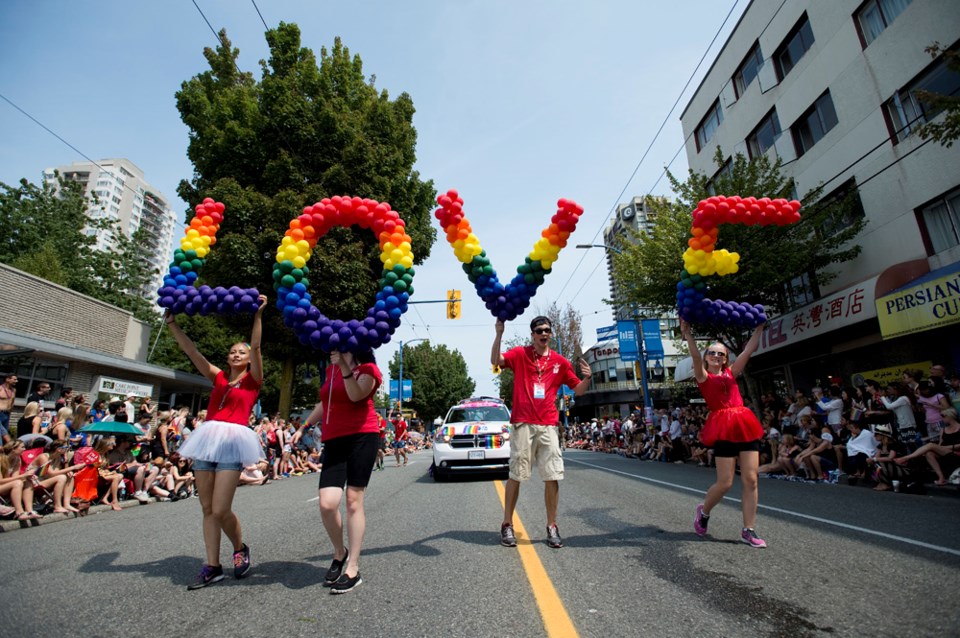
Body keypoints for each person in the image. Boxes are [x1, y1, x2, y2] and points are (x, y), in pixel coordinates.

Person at [166, 294, 267, 590]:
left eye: (241, 352)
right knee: (207, 508)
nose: (236, 355)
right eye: (232, 352)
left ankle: (239, 547)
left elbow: (257, 346)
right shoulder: (219, 376)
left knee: (221, 508)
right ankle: (212, 565)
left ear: (248, 359)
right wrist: (172, 324)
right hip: (206, 440)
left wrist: (258, 315)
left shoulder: (254, 379)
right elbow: (191, 352)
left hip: (233, 441)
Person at [492, 315, 592, 550]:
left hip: (548, 424)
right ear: (533, 334)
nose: (544, 334)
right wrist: (499, 333)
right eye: (539, 330)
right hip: (523, 423)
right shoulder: (520, 354)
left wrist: (588, 377)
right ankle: (507, 524)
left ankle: (552, 526)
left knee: (552, 475)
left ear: (550, 333)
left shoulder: (560, 362)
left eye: (547, 330)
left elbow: (578, 390)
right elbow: (496, 359)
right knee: (517, 474)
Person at [294, 348, 383, 594]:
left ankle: (352, 567)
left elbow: (355, 395)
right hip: (334, 439)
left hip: (362, 437)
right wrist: (304, 426)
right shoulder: (331, 369)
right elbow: (325, 402)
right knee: (327, 503)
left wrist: (344, 366)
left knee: (354, 501)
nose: (337, 347)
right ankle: (339, 551)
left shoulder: (369, 370)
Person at [681, 318, 768, 548]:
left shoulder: (732, 373)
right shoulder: (703, 376)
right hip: (722, 427)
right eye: (712, 353)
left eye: (721, 354)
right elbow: (696, 357)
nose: (716, 356)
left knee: (750, 478)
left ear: (726, 358)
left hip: (744, 424)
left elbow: (749, 349)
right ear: (707, 355)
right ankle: (704, 511)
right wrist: (688, 335)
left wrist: (758, 328)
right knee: (726, 482)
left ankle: (748, 529)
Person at [894, 407, 960, 485]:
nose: (941, 419)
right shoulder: (944, 429)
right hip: (944, 451)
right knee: (929, 453)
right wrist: (938, 448)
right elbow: (941, 443)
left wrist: (945, 448)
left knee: (931, 445)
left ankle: (906, 458)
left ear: (950, 416)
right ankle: (941, 477)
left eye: (943, 417)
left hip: (956, 452)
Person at [0, 373, 17, 443]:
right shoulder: (0, 388)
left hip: (7, 414)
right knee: (3, 433)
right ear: (7, 379)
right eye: (14, 379)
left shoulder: (14, 390)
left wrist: (10, 412)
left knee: (4, 433)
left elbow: (12, 402)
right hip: (0, 412)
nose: (16, 381)